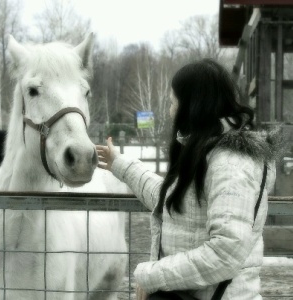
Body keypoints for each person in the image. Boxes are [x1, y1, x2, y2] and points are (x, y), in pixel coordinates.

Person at [96, 59, 282, 300]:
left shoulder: (231, 163)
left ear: (193, 106)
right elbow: (171, 199)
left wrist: (152, 275)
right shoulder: (209, 151)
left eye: (173, 103)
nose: (170, 111)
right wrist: (119, 163)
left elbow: (226, 251)